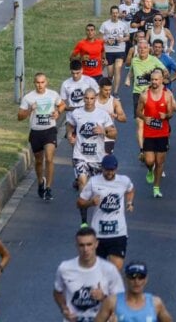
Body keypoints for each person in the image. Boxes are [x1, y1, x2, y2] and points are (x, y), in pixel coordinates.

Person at [76, 154, 135, 271]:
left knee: (116, 268)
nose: (109, 172)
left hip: (118, 233)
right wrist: (91, 203)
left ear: (116, 169)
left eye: (112, 170)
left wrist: (129, 202)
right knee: (97, 270)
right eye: (107, 170)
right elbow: (79, 203)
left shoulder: (124, 181)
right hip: (98, 235)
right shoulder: (93, 182)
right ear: (102, 168)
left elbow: (131, 189)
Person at [53, 227, 124, 322]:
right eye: (81, 245)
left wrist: (103, 297)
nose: (86, 249)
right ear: (76, 246)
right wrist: (64, 309)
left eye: (89, 244)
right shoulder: (65, 268)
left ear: (96, 244)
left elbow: (121, 302)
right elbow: (57, 292)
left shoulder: (109, 269)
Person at [67, 89, 117, 224]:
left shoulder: (102, 115)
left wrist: (104, 131)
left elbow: (114, 133)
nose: (89, 101)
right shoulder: (77, 113)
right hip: (80, 156)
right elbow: (70, 126)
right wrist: (69, 136)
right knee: (82, 182)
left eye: (91, 99)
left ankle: (99, 217)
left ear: (95, 99)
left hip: (97, 158)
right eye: (86, 98)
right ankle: (84, 220)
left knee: (97, 191)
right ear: (83, 98)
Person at [18, 73, 65, 201]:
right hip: (36, 132)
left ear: (46, 82)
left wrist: (58, 112)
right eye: (38, 83)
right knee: (39, 160)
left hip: (49, 130)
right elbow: (19, 117)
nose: (40, 85)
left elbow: (62, 104)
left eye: (42, 82)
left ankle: (49, 188)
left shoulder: (53, 94)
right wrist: (30, 110)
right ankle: (40, 182)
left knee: (49, 158)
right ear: (34, 83)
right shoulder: (28, 98)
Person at [138, 69, 176, 197]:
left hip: (162, 134)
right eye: (152, 79)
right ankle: (149, 170)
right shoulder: (144, 95)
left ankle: (156, 187)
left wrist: (165, 115)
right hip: (149, 134)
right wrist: (144, 118)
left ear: (161, 80)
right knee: (149, 161)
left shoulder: (167, 95)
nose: (154, 82)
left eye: (156, 80)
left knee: (160, 162)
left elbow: (171, 113)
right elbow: (138, 112)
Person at [94, 261, 173, 322]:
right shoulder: (112, 302)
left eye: (140, 277)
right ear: (126, 279)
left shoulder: (156, 303)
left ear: (146, 280)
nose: (136, 281)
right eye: (132, 277)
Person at [96, 78, 127, 155]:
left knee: (106, 161)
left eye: (110, 90)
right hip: (94, 134)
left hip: (108, 135)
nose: (108, 92)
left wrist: (115, 116)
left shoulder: (114, 102)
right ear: (100, 88)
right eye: (105, 90)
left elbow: (124, 119)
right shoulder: (93, 100)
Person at [100, 7, 129, 88]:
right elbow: (99, 38)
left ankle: (116, 92)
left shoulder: (123, 24)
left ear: (118, 13)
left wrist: (122, 39)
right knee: (110, 73)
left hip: (120, 50)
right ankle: (110, 80)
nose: (115, 15)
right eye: (113, 13)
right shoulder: (105, 24)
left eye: (116, 13)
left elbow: (128, 37)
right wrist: (106, 41)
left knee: (118, 68)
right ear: (110, 14)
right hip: (109, 51)